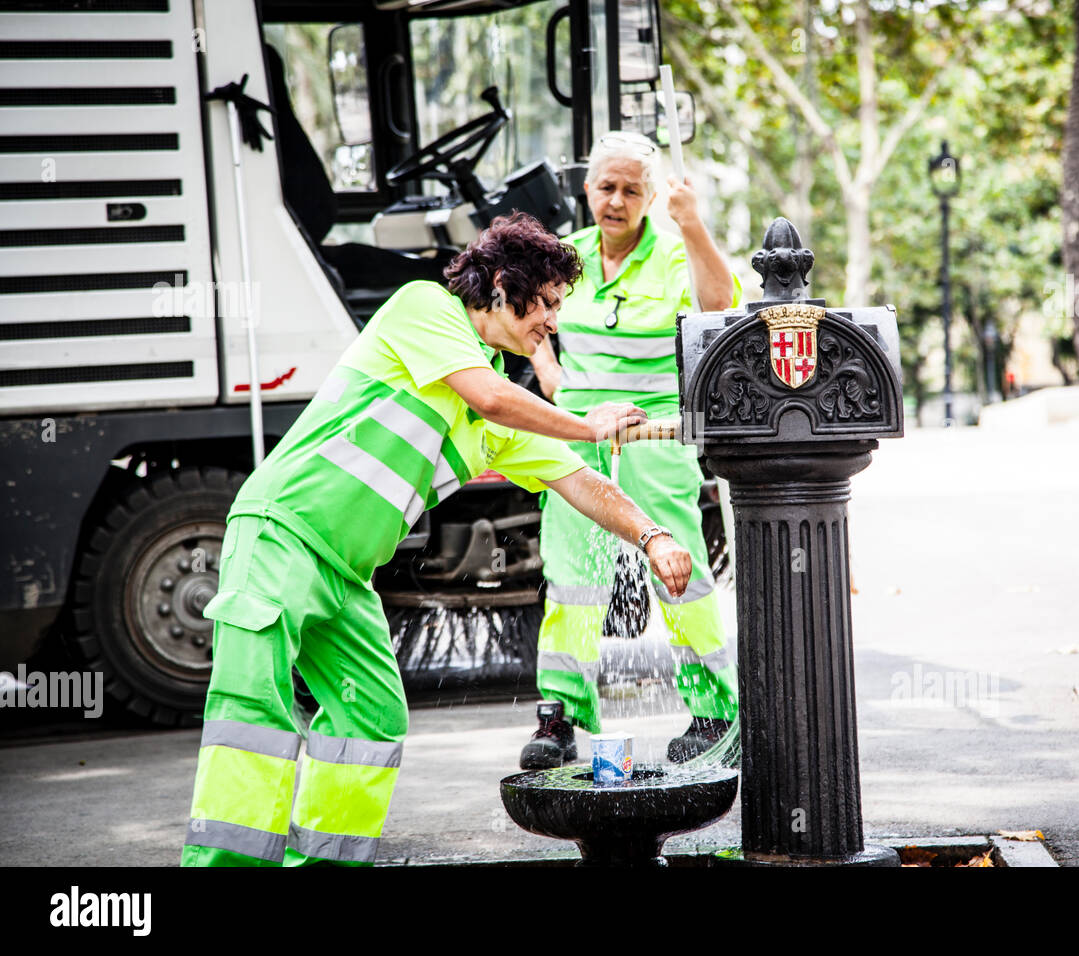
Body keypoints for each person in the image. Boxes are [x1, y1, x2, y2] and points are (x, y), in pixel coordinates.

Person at [182, 212, 692, 866]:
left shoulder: (500, 405)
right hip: (281, 531)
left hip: (344, 572)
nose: (554, 326)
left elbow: (579, 482)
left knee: (372, 720)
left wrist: (652, 536)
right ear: (505, 285)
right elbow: (491, 400)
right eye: (549, 305)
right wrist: (587, 424)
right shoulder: (426, 308)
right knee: (252, 712)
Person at [522, 131, 740, 769]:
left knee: (680, 575)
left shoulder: (673, 254)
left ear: (649, 197)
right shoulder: (571, 255)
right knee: (571, 580)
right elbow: (527, 318)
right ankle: (558, 715)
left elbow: (718, 303)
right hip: (579, 441)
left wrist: (694, 226)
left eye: (631, 190)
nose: (616, 200)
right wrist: (552, 378)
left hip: (653, 439)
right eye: (606, 187)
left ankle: (713, 710)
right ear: (586, 189)